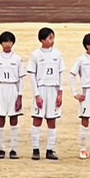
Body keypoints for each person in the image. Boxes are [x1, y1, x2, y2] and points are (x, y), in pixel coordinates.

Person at [26, 27, 65, 161]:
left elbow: (61, 74)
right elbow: (32, 75)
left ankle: (50, 149)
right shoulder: (35, 54)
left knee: (52, 120)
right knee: (37, 119)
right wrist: (37, 95)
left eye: (53, 37)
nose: (52, 40)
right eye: (49, 38)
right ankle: (35, 149)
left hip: (53, 90)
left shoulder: (58, 54)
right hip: (41, 89)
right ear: (42, 40)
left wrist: (60, 93)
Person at [0, 31, 24, 159]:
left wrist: (20, 96)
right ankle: (1, 149)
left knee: (14, 119)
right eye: (4, 41)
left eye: (9, 41)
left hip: (13, 88)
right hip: (1, 88)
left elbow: (21, 78)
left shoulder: (17, 58)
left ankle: (14, 149)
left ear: (13, 43)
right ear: (1, 43)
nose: (7, 44)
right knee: (0, 118)